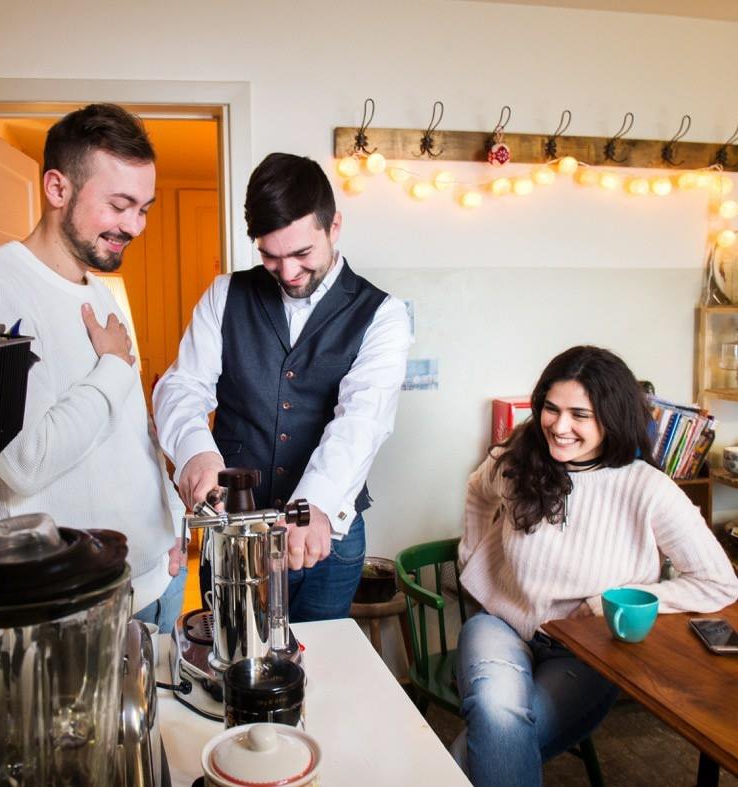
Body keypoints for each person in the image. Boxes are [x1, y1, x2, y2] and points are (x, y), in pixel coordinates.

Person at [455, 345, 738, 787]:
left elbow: (718, 582)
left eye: (579, 415)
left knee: (491, 737)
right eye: (551, 408)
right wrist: (472, 553)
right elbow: (478, 491)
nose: (558, 426)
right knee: (496, 710)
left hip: (589, 651)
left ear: (611, 417)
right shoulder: (515, 460)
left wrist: (613, 602)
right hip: (501, 624)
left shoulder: (648, 489)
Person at [153, 152, 409, 622]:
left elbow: (362, 420)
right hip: (236, 533)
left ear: (334, 227)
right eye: (270, 256)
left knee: (322, 657)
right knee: (233, 653)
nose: (288, 272)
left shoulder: (383, 315)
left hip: (329, 535)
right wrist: (195, 453)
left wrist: (315, 504)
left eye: (302, 254)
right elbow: (182, 386)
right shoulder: (224, 294)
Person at [0, 104, 186, 633]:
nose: (134, 226)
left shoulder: (100, 290)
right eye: (119, 205)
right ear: (57, 188)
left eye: (143, 208)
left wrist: (173, 522)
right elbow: (26, 461)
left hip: (156, 579)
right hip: (74, 607)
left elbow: (128, 433)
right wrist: (113, 366)